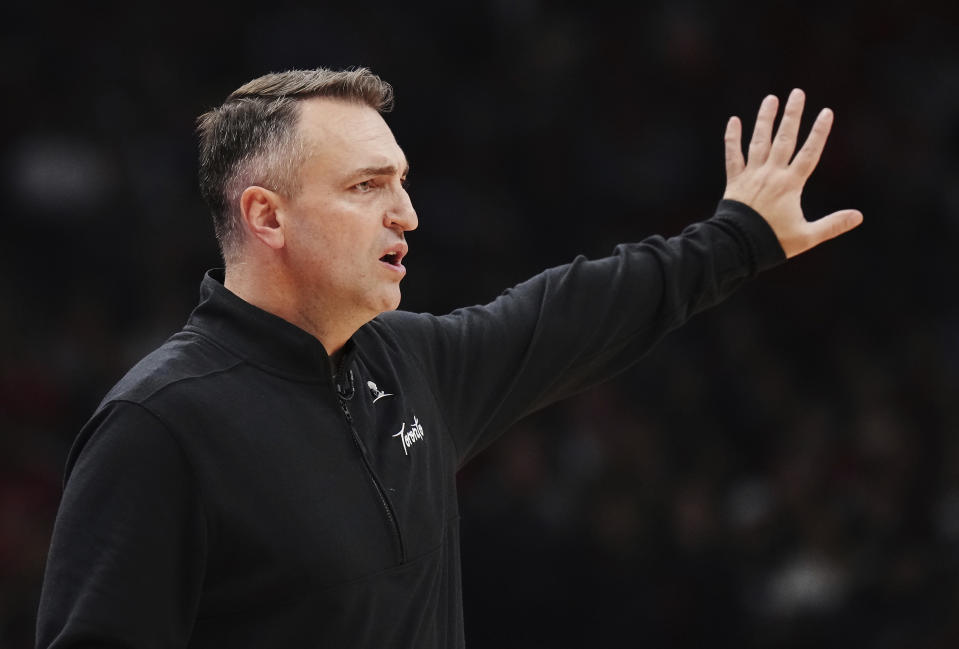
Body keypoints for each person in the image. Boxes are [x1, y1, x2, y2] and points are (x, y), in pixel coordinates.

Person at [35, 67, 862, 648]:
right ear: (266, 216)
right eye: (367, 186)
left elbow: (566, 312)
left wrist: (736, 238)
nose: (407, 213)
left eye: (401, 181)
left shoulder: (406, 364)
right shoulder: (158, 425)